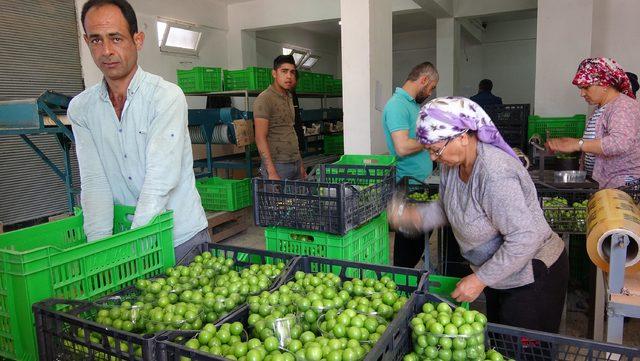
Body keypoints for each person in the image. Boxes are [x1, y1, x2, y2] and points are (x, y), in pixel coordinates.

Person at [388, 96, 568, 333]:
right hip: (499, 273)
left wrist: (480, 279)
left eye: (435, 150)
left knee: (523, 352)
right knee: (500, 348)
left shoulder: (494, 175)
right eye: (429, 151)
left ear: (462, 137)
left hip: (531, 275)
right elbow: (448, 205)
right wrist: (417, 217)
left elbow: (524, 237)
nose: (433, 157)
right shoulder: (451, 166)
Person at [69, 0, 208, 262]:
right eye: (97, 40)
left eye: (116, 38)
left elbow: (159, 182)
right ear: (87, 43)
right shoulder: (82, 109)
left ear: (138, 40)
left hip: (179, 240)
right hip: (128, 238)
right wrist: (99, 255)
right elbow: (95, 184)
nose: (107, 50)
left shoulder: (165, 97)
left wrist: (131, 252)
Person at [546, 58, 640, 188]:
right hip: (605, 184)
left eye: (586, 87)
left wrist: (578, 144)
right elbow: (600, 141)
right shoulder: (602, 108)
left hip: (622, 187)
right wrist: (569, 144)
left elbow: (620, 142)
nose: (582, 93)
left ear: (605, 84)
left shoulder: (623, 106)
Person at [382, 61, 438, 268]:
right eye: (431, 87)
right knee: (407, 247)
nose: (431, 92)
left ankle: (411, 278)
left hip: (420, 183)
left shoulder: (413, 105)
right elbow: (402, 147)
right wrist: (431, 142)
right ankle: (401, 284)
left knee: (419, 239)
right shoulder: (397, 105)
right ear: (423, 80)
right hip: (408, 186)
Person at [253, 55, 306, 180]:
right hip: (278, 165)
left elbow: (291, 131)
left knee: (299, 200)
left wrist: (301, 164)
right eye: (284, 71)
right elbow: (260, 137)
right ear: (274, 73)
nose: (289, 76)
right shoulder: (264, 99)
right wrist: (271, 172)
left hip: (295, 163)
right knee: (277, 200)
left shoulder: (289, 96)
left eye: (292, 72)